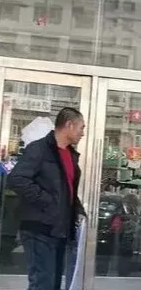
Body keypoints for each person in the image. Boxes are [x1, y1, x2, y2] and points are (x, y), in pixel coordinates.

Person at [7, 107, 87, 290]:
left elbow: (67, 190)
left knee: (53, 284)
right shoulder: (39, 149)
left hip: (59, 229)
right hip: (39, 228)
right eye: (81, 128)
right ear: (69, 125)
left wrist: (78, 211)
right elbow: (17, 179)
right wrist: (48, 201)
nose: (82, 133)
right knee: (43, 284)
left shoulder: (70, 155)